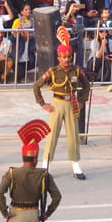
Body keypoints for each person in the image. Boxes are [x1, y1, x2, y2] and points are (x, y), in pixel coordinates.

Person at [33, 39, 90, 179]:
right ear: (58, 57)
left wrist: (82, 101)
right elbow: (36, 86)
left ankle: (76, 168)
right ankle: (45, 168)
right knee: (52, 136)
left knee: (73, 136)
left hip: (71, 103)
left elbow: (86, 85)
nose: (66, 60)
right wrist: (42, 104)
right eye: (63, 57)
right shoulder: (52, 72)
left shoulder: (76, 70)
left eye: (68, 56)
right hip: (57, 104)